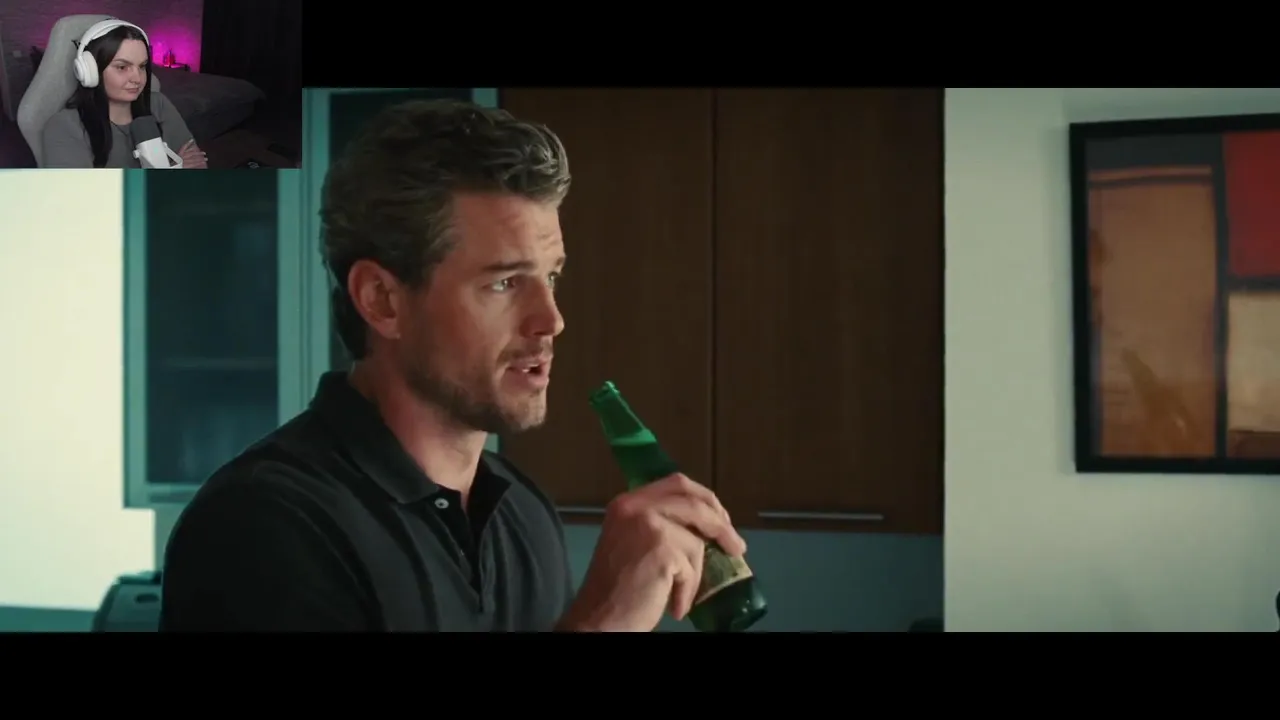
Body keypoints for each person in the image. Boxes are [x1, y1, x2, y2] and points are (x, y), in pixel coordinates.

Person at [158, 98, 747, 632]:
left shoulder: (524, 512)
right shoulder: (262, 526)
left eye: (551, 277)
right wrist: (606, 621)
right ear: (383, 301)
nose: (551, 319)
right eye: (504, 282)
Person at [41, 19, 206, 169]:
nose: (138, 79)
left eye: (142, 66)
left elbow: (197, 168)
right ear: (91, 72)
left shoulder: (159, 105)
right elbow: (77, 193)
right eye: (122, 67)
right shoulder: (65, 126)